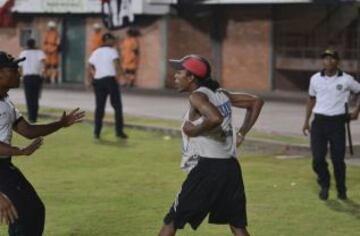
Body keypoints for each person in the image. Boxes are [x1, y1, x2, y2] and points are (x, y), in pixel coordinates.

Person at [158, 54, 264, 236]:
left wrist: (194, 131)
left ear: (191, 77)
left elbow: (215, 118)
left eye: (179, 73)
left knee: (172, 220)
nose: (175, 77)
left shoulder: (197, 97)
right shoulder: (221, 93)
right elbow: (256, 102)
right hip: (230, 167)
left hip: (208, 168)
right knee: (237, 224)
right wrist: (241, 133)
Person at [0, 51, 85, 235]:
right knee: (27, 214)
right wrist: (20, 151)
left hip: (5, 167)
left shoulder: (5, 100)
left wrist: (61, 124)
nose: (19, 73)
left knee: (32, 211)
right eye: (13, 69)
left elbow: (28, 131)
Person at [303, 48, 360, 201]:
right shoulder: (315, 78)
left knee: (338, 160)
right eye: (326, 58)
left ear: (337, 61)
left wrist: (356, 111)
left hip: (337, 123)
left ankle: (341, 189)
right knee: (318, 159)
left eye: (332, 58)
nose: (329, 61)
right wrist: (306, 121)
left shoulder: (346, 79)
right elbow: (311, 99)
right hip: (319, 123)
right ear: (323, 61)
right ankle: (325, 184)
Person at [87, 33, 128, 140]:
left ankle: (96, 132)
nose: (114, 42)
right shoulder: (112, 51)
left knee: (99, 107)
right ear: (107, 40)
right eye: (112, 40)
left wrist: (91, 78)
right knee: (117, 107)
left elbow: (90, 65)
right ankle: (119, 132)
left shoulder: (95, 52)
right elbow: (117, 65)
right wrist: (123, 77)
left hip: (98, 81)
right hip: (110, 80)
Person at [18, 38, 46, 123]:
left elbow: (20, 66)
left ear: (27, 45)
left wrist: (21, 76)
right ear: (34, 44)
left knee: (29, 97)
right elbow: (44, 63)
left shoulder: (23, 53)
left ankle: (30, 116)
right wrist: (42, 72)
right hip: (37, 77)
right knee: (36, 97)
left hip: (27, 78)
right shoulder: (39, 53)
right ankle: (34, 117)